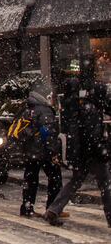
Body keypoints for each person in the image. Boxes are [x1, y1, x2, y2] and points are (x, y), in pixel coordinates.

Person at [45, 85, 111, 227]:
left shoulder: (84, 107)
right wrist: (102, 150)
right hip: (93, 154)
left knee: (74, 182)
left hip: (82, 154)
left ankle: (53, 209)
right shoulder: (93, 110)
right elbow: (92, 136)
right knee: (106, 185)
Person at [16, 92, 62, 217]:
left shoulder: (28, 110)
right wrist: (52, 152)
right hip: (44, 152)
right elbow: (48, 133)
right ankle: (52, 209)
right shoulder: (45, 111)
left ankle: (27, 206)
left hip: (31, 152)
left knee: (30, 179)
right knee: (55, 179)